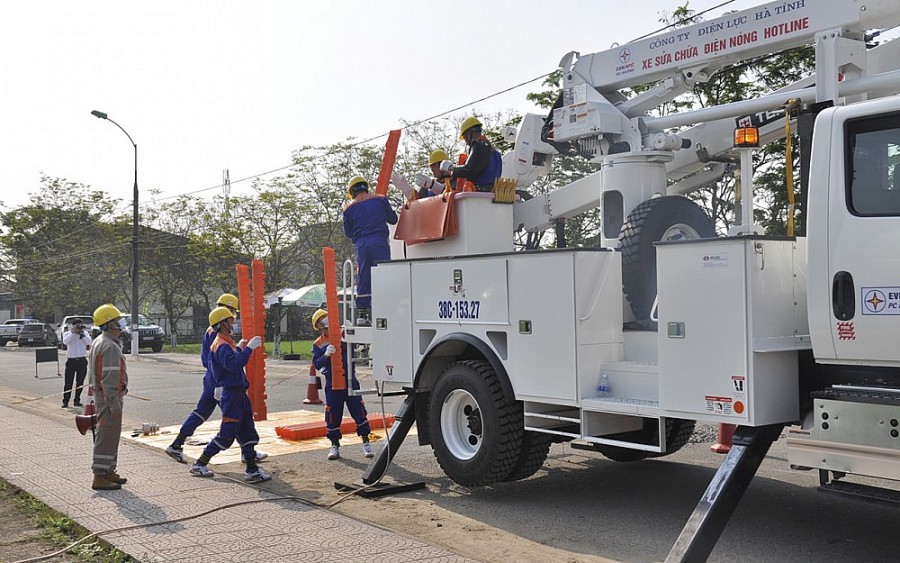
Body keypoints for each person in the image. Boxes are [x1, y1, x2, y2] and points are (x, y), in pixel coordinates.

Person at [165, 293, 266, 465]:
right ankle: (244, 455)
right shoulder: (217, 334)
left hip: (213, 380)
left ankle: (177, 443)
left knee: (202, 412)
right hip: (220, 381)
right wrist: (245, 351)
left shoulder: (211, 330)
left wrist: (239, 349)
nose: (234, 317)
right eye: (232, 312)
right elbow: (221, 361)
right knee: (235, 418)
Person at [189, 306, 271, 483]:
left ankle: (252, 470)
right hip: (232, 395)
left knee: (248, 431)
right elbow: (233, 366)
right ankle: (199, 464)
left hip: (239, 394)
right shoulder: (221, 344)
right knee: (226, 435)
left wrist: (240, 349)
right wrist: (248, 349)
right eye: (230, 320)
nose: (233, 322)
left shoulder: (226, 342)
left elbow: (229, 363)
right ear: (222, 324)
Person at [310, 309, 374, 460]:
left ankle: (366, 443)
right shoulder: (318, 344)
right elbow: (317, 364)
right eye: (321, 321)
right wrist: (326, 355)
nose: (325, 322)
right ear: (318, 326)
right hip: (332, 384)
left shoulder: (343, 333)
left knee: (359, 411)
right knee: (332, 414)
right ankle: (334, 445)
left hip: (350, 381)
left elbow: (359, 344)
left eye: (325, 318)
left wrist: (353, 331)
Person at [342, 175, 398, 324]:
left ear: (352, 192)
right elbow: (393, 219)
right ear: (366, 187)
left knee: (364, 276)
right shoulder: (380, 200)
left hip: (362, 246)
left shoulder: (348, 209)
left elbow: (348, 232)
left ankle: (362, 314)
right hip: (380, 242)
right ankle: (387, 307)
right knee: (384, 273)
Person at [88, 304, 129, 491]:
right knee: (106, 435)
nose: (120, 326)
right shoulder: (109, 346)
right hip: (108, 398)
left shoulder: (101, 341)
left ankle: (108, 471)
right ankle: (100, 475)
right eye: (117, 322)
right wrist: (113, 402)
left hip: (104, 396)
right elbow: (109, 377)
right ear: (107, 325)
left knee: (111, 435)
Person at [449, 116, 502, 192]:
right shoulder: (494, 152)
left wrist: (452, 168)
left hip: (478, 193)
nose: (466, 142)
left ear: (468, 134)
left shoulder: (478, 145)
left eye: (464, 138)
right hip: (492, 193)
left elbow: (469, 171)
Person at [62, 319, 92, 409]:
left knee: (80, 382)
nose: (79, 328)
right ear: (73, 326)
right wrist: (73, 333)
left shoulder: (85, 333)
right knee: (68, 382)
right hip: (71, 360)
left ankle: (77, 400)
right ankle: (65, 401)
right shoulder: (67, 333)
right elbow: (65, 342)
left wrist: (81, 335)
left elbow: (89, 342)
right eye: (77, 326)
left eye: (80, 326)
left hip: (82, 360)